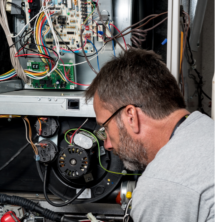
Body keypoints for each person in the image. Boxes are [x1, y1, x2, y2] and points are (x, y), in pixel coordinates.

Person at [85, 49, 214, 222]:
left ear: (131, 116)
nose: (107, 144)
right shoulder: (206, 127)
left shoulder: (162, 184)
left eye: (105, 127)